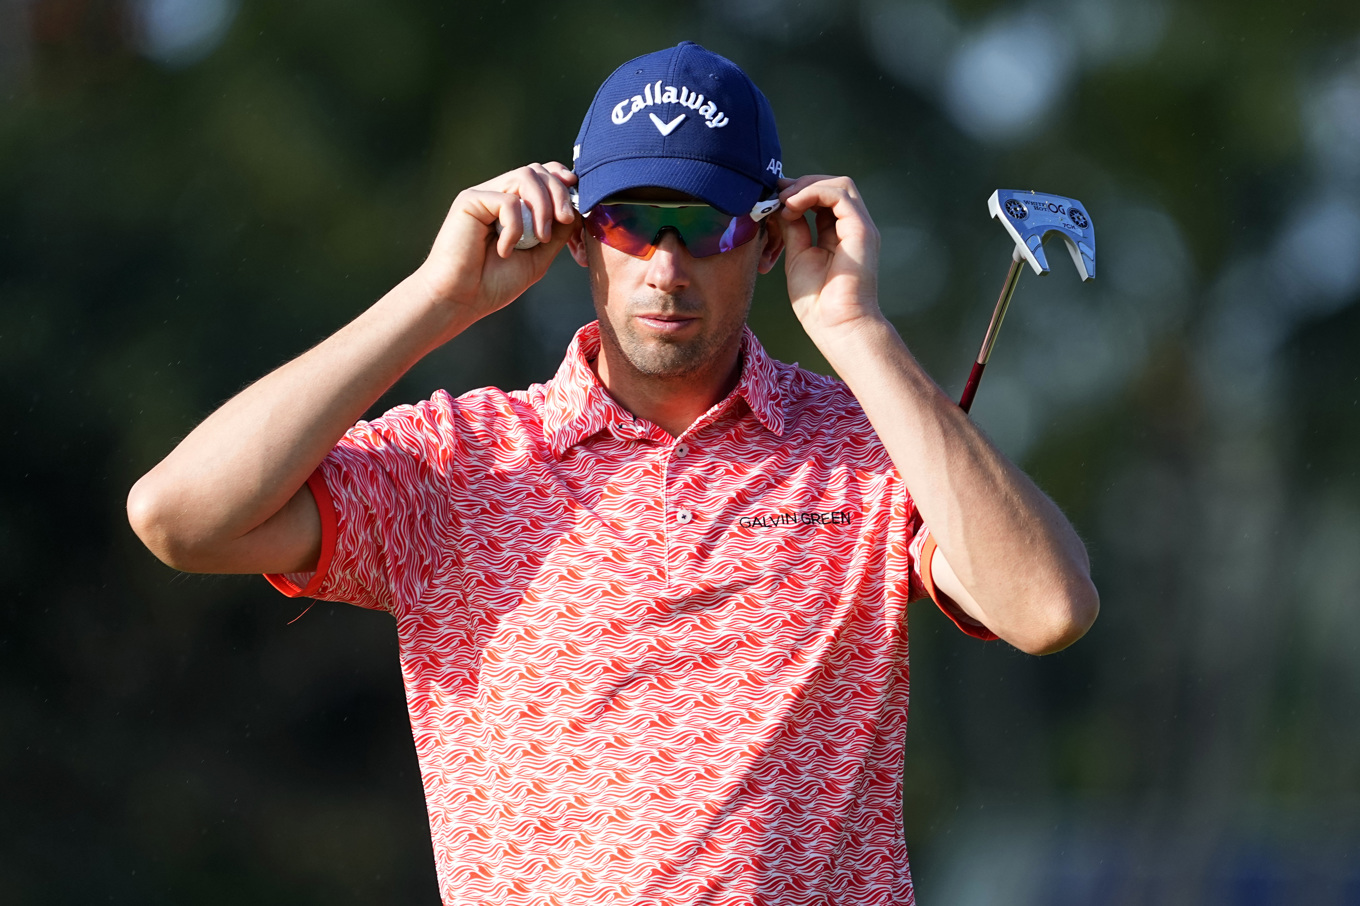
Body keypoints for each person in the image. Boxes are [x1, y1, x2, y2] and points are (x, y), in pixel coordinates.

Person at [128, 41, 1097, 906]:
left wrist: (858, 332)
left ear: (766, 240)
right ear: (582, 236)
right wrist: (435, 299)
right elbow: (179, 516)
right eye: (635, 223)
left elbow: (1048, 607)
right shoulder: (461, 462)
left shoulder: (865, 444)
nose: (667, 265)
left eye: (705, 224)